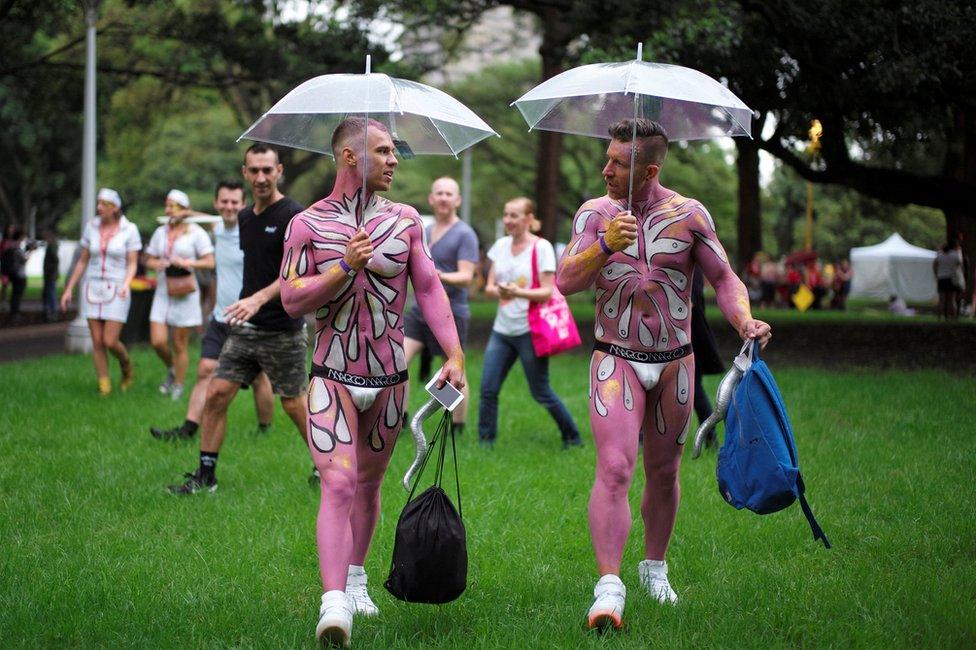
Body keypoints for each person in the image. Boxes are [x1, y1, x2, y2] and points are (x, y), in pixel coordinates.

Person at [555, 118, 771, 630]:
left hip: (676, 360)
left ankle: (655, 567)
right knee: (613, 468)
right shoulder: (594, 214)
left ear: (649, 170)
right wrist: (604, 244)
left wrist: (744, 319)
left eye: (619, 164)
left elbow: (724, 277)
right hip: (615, 357)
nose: (605, 169)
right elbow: (565, 281)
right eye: (606, 158)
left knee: (664, 472)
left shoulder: (689, 215)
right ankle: (609, 586)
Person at [279, 117, 465, 647]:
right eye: (383, 151)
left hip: (390, 377)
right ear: (348, 158)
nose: (394, 160)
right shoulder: (306, 225)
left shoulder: (406, 220)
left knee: (369, 484)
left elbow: (428, 287)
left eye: (393, 152)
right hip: (331, 375)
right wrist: (343, 265)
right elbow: (293, 299)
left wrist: (453, 353)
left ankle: (357, 577)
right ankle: (333, 602)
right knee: (338, 483)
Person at [167, 144, 309, 494]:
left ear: (279, 171)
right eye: (254, 171)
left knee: (293, 405)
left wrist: (259, 298)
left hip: (283, 329)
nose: (261, 177)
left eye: (267, 170)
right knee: (217, 392)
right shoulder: (245, 217)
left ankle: (330, 467)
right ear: (245, 173)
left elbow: (297, 272)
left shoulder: (294, 215)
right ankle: (206, 476)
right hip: (245, 328)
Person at [149, 181, 274, 440]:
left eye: (235, 202)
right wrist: (189, 214)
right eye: (224, 202)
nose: (229, 207)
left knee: (258, 379)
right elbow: (214, 221)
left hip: (249, 319)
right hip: (220, 317)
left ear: (243, 204)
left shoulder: (252, 230)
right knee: (205, 369)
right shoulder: (217, 229)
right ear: (217, 204)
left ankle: (265, 430)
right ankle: (187, 430)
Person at [479, 197, 583, 449]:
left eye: (514, 215)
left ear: (528, 218)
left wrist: (517, 293)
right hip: (502, 330)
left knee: (540, 392)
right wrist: (500, 291)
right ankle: (485, 442)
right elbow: (489, 288)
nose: (508, 220)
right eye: (506, 215)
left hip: (529, 331)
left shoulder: (542, 247)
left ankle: (572, 436)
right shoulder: (501, 246)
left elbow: (548, 292)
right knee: (488, 389)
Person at [402, 177, 479, 436]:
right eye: (439, 193)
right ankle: (399, 418)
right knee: (398, 362)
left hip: (451, 312)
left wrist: (439, 276)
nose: (444, 198)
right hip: (419, 312)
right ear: (431, 199)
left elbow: (467, 277)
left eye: (449, 194)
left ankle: (456, 424)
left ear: (457, 200)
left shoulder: (464, 233)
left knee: (452, 369)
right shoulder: (425, 230)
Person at [60, 188, 142, 395]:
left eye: (104, 204)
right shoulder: (91, 227)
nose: (99, 208)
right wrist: (69, 288)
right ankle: (104, 385)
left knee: (110, 340)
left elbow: (132, 263)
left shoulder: (129, 229)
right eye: (98, 203)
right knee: (97, 340)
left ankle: (126, 366)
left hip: (117, 287)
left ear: (115, 208)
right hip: (92, 286)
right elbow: (83, 260)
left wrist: (126, 283)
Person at [146, 189, 215, 400]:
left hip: (185, 291)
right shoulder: (161, 232)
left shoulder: (196, 232)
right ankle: (173, 369)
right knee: (157, 341)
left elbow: (210, 262)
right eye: (167, 205)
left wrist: (187, 262)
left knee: (179, 342)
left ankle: (178, 385)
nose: (168, 210)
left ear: (184, 209)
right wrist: (156, 263)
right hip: (163, 290)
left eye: (173, 206)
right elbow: (148, 259)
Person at [1, 228, 29, 321]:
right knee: (17, 295)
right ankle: (15, 314)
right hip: (19, 274)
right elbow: (24, 260)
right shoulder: (16, 247)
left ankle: (12, 312)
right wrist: (31, 252)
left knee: (14, 294)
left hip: (12, 273)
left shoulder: (10, 246)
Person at [934, 241, 964, 320]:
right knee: (952, 299)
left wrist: (936, 275)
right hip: (951, 278)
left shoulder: (939, 256)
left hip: (942, 278)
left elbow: (935, 265)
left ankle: (939, 317)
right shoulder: (955, 255)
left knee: (942, 299)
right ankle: (953, 317)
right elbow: (960, 265)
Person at [42, 228, 60, 321]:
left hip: (50, 274)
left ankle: (53, 311)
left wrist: (54, 272)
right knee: (48, 292)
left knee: (50, 292)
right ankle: (49, 310)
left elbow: (55, 259)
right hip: (49, 273)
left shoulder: (52, 246)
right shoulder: (51, 245)